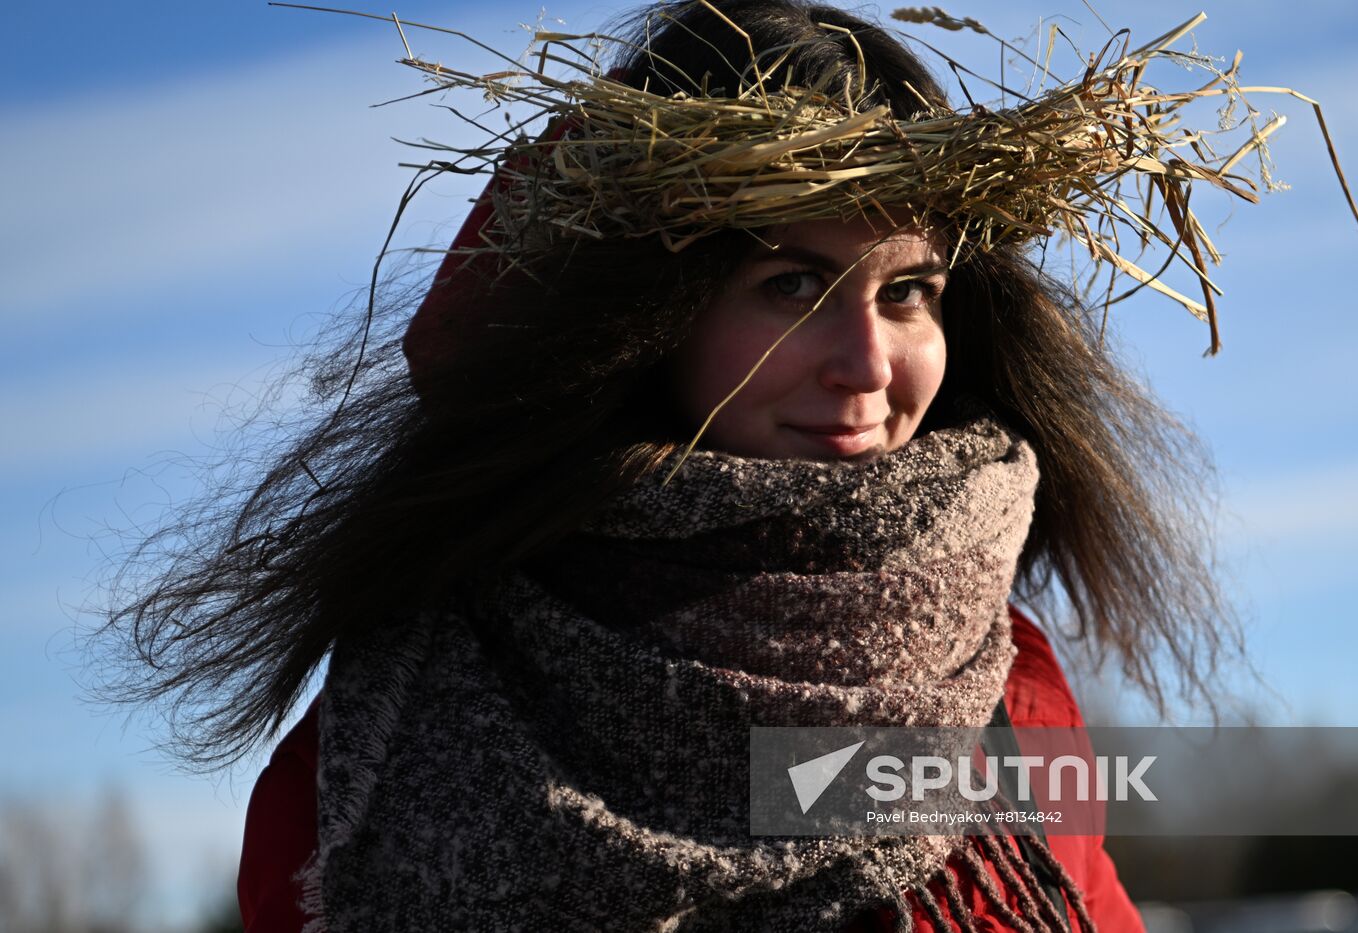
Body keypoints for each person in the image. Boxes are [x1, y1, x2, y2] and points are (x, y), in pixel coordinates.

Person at [89, 1, 1246, 930]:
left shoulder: (1005, 683)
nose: (864, 363)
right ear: (648, 316)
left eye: (907, 292)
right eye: (788, 285)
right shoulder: (421, 721)